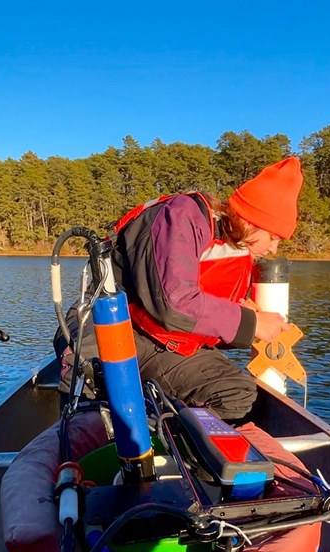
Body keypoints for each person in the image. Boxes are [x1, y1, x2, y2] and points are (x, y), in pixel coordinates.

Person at [54, 157, 303, 423]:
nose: (274, 249)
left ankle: (162, 435)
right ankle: (118, 433)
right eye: (273, 237)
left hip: (163, 344)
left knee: (239, 396)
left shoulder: (238, 250)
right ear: (250, 221)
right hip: (110, 326)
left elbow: (201, 326)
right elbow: (173, 303)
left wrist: (242, 315)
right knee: (93, 404)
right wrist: (249, 323)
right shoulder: (183, 216)